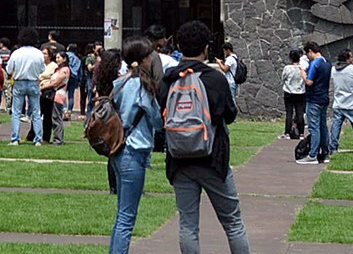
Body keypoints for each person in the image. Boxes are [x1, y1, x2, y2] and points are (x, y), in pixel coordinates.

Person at [158, 21, 251, 254]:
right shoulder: (215, 79)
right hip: (213, 159)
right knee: (233, 223)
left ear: (179, 45)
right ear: (207, 48)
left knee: (188, 225)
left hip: (179, 160)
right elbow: (229, 115)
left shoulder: (168, 79)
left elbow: (161, 115)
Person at [104, 38, 163, 254]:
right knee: (127, 217)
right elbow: (157, 119)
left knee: (122, 215)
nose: (151, 59)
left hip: (118, 150)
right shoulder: (141, 86)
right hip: (134, 152)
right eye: (149, 56)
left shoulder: (121, 83)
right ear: (142, 60)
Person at [6, 28, 46, 145]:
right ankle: (38, 139)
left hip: (19, 82)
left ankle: (15, 139)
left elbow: (9, 69)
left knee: (16, 112)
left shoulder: (16, 53)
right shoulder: (38, 53)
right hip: (33, 82)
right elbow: (42, 69)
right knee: (36, 112)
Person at [329, 48, 353, 155]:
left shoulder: (333, 69)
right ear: (347, 59)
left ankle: (333, 147)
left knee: (336, 127)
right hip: (352, 103)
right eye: (351, 57)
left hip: (338, 103)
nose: (352, 59)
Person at [298, 41, 330, 165]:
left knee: (314, 127)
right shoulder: (326, 62)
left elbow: (309, 82)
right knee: (323, 127)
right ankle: (325, 153)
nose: (308, 56)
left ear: (311, 51)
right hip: (324, 98)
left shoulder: (315, 64)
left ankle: (313, 155)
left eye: (308, 53)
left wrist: (303, 74)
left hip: (314, 99)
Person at [41, 45, 71, 144]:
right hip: (55, 96)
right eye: (57, 57)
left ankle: (58, 139)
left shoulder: (64, 70)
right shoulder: (59, 69)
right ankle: (57, 139)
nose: (57, 59)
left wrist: (43, 87)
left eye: (59, 57)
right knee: (54, 117)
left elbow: (56, 83)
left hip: (58, 96)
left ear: (64, 59)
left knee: (56, 118)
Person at [281, 48, 307, 141]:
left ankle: (287, 133)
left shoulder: (287, 68)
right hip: (300, 93)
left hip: (288, 92)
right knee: (300, 113)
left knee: (289, 113)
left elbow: (283, 78)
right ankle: (301, 133)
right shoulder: (302, 68)